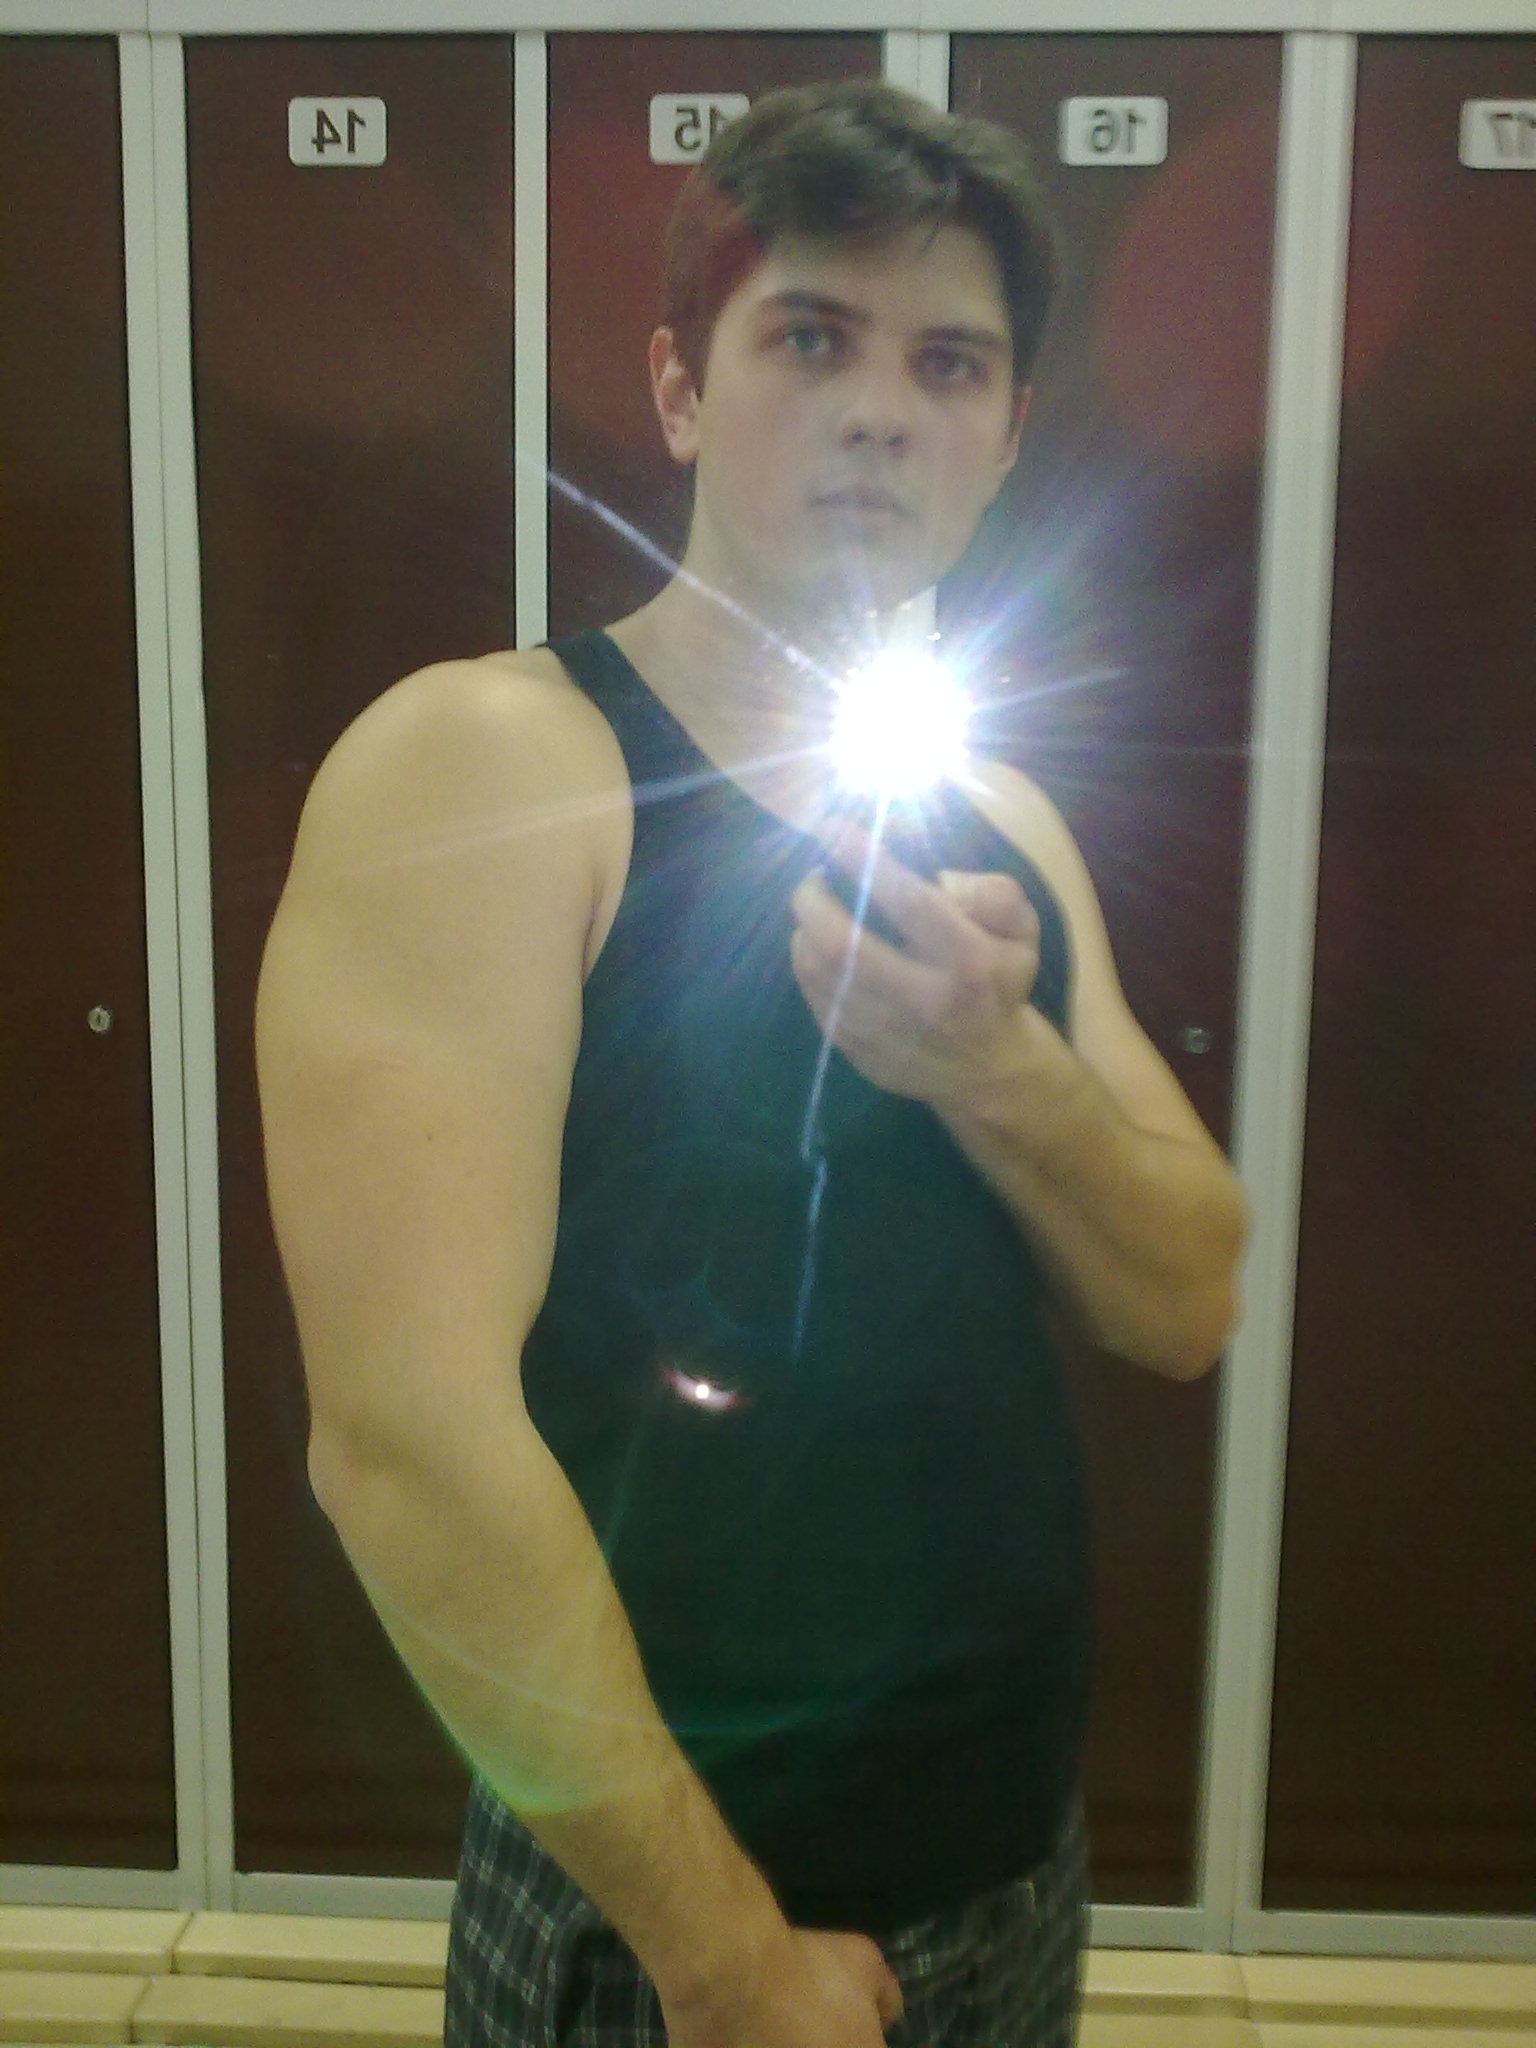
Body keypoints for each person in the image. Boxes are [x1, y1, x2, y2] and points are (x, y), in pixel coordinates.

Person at [255, 80, 1248, 2048]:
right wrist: (724, 1958)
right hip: (668, 1914)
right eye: (809, 337)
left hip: (1008, 1862)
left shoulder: (1003, 826)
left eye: (947, 363)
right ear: (681, 389)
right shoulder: (497, 772)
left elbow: (1187, 1295)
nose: (882, 409)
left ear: (1007, 433)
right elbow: (405, 1444)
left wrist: (993, 1066)